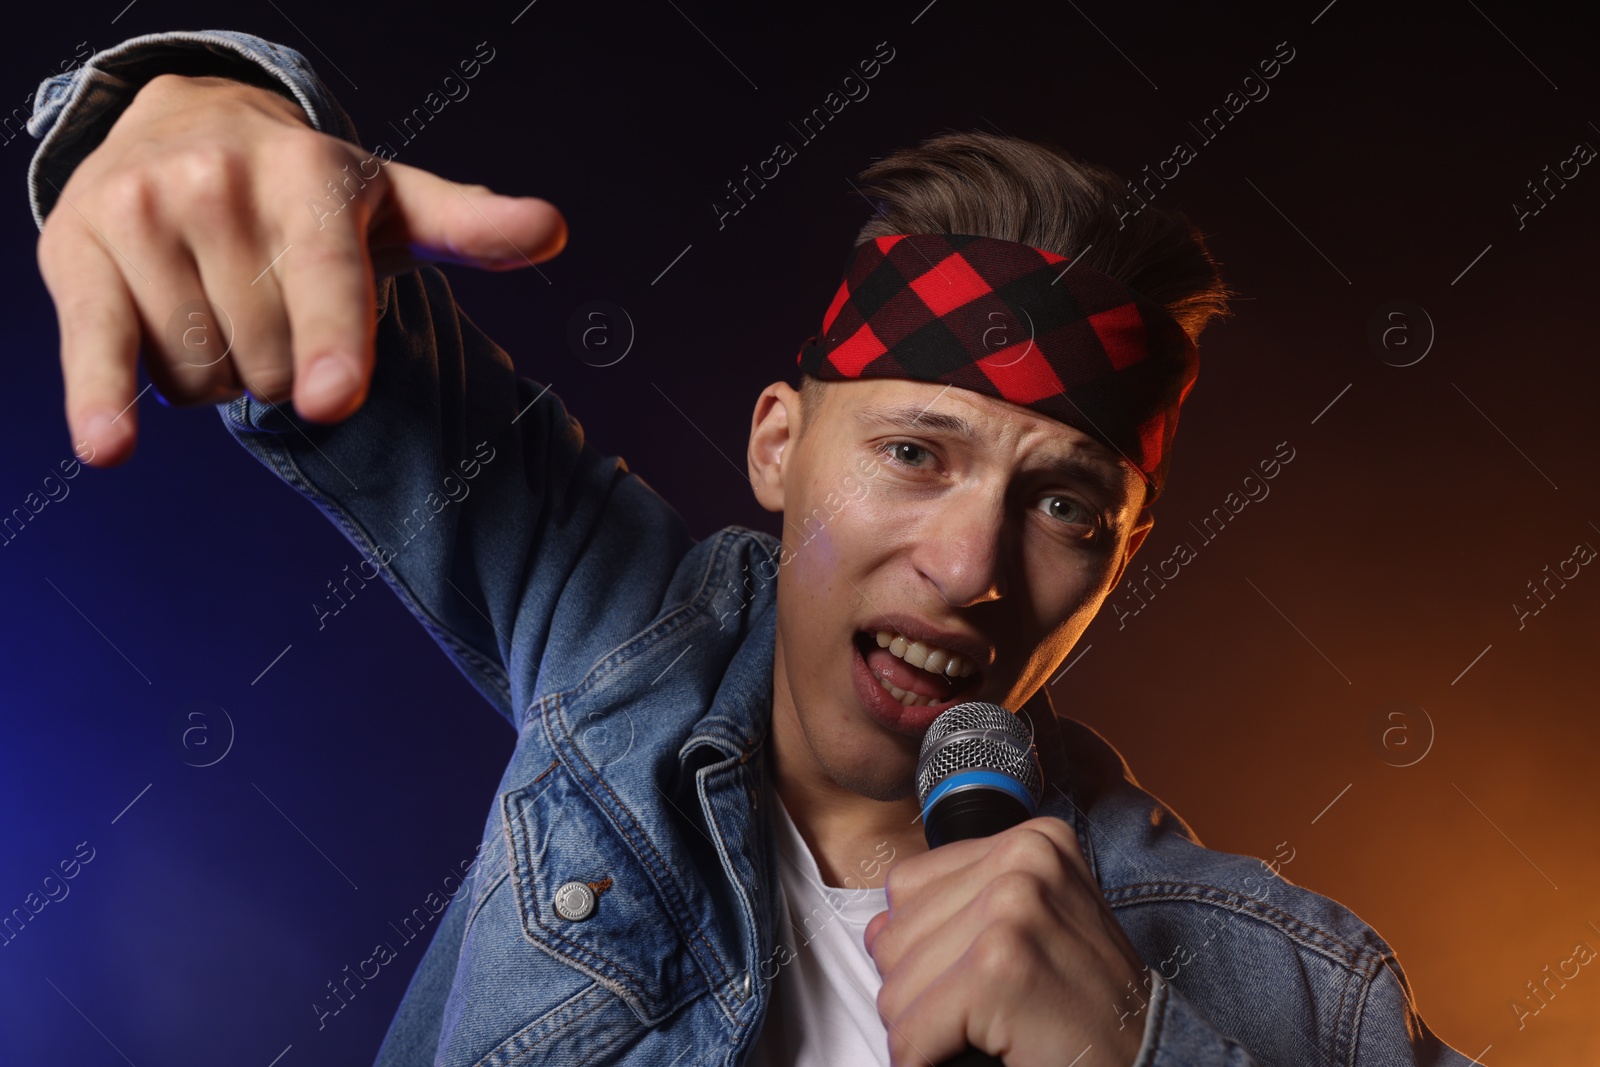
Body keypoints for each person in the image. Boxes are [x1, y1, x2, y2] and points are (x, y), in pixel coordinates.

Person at [26, 29, 1474, 1067]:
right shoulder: (621, 637)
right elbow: (299, 285)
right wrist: (179, 111)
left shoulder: (1292, 983)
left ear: (1121, 556)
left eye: (1063, 503)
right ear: (779, 445)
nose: (970, 567)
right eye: (915, 453)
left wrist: (1140, 1050)